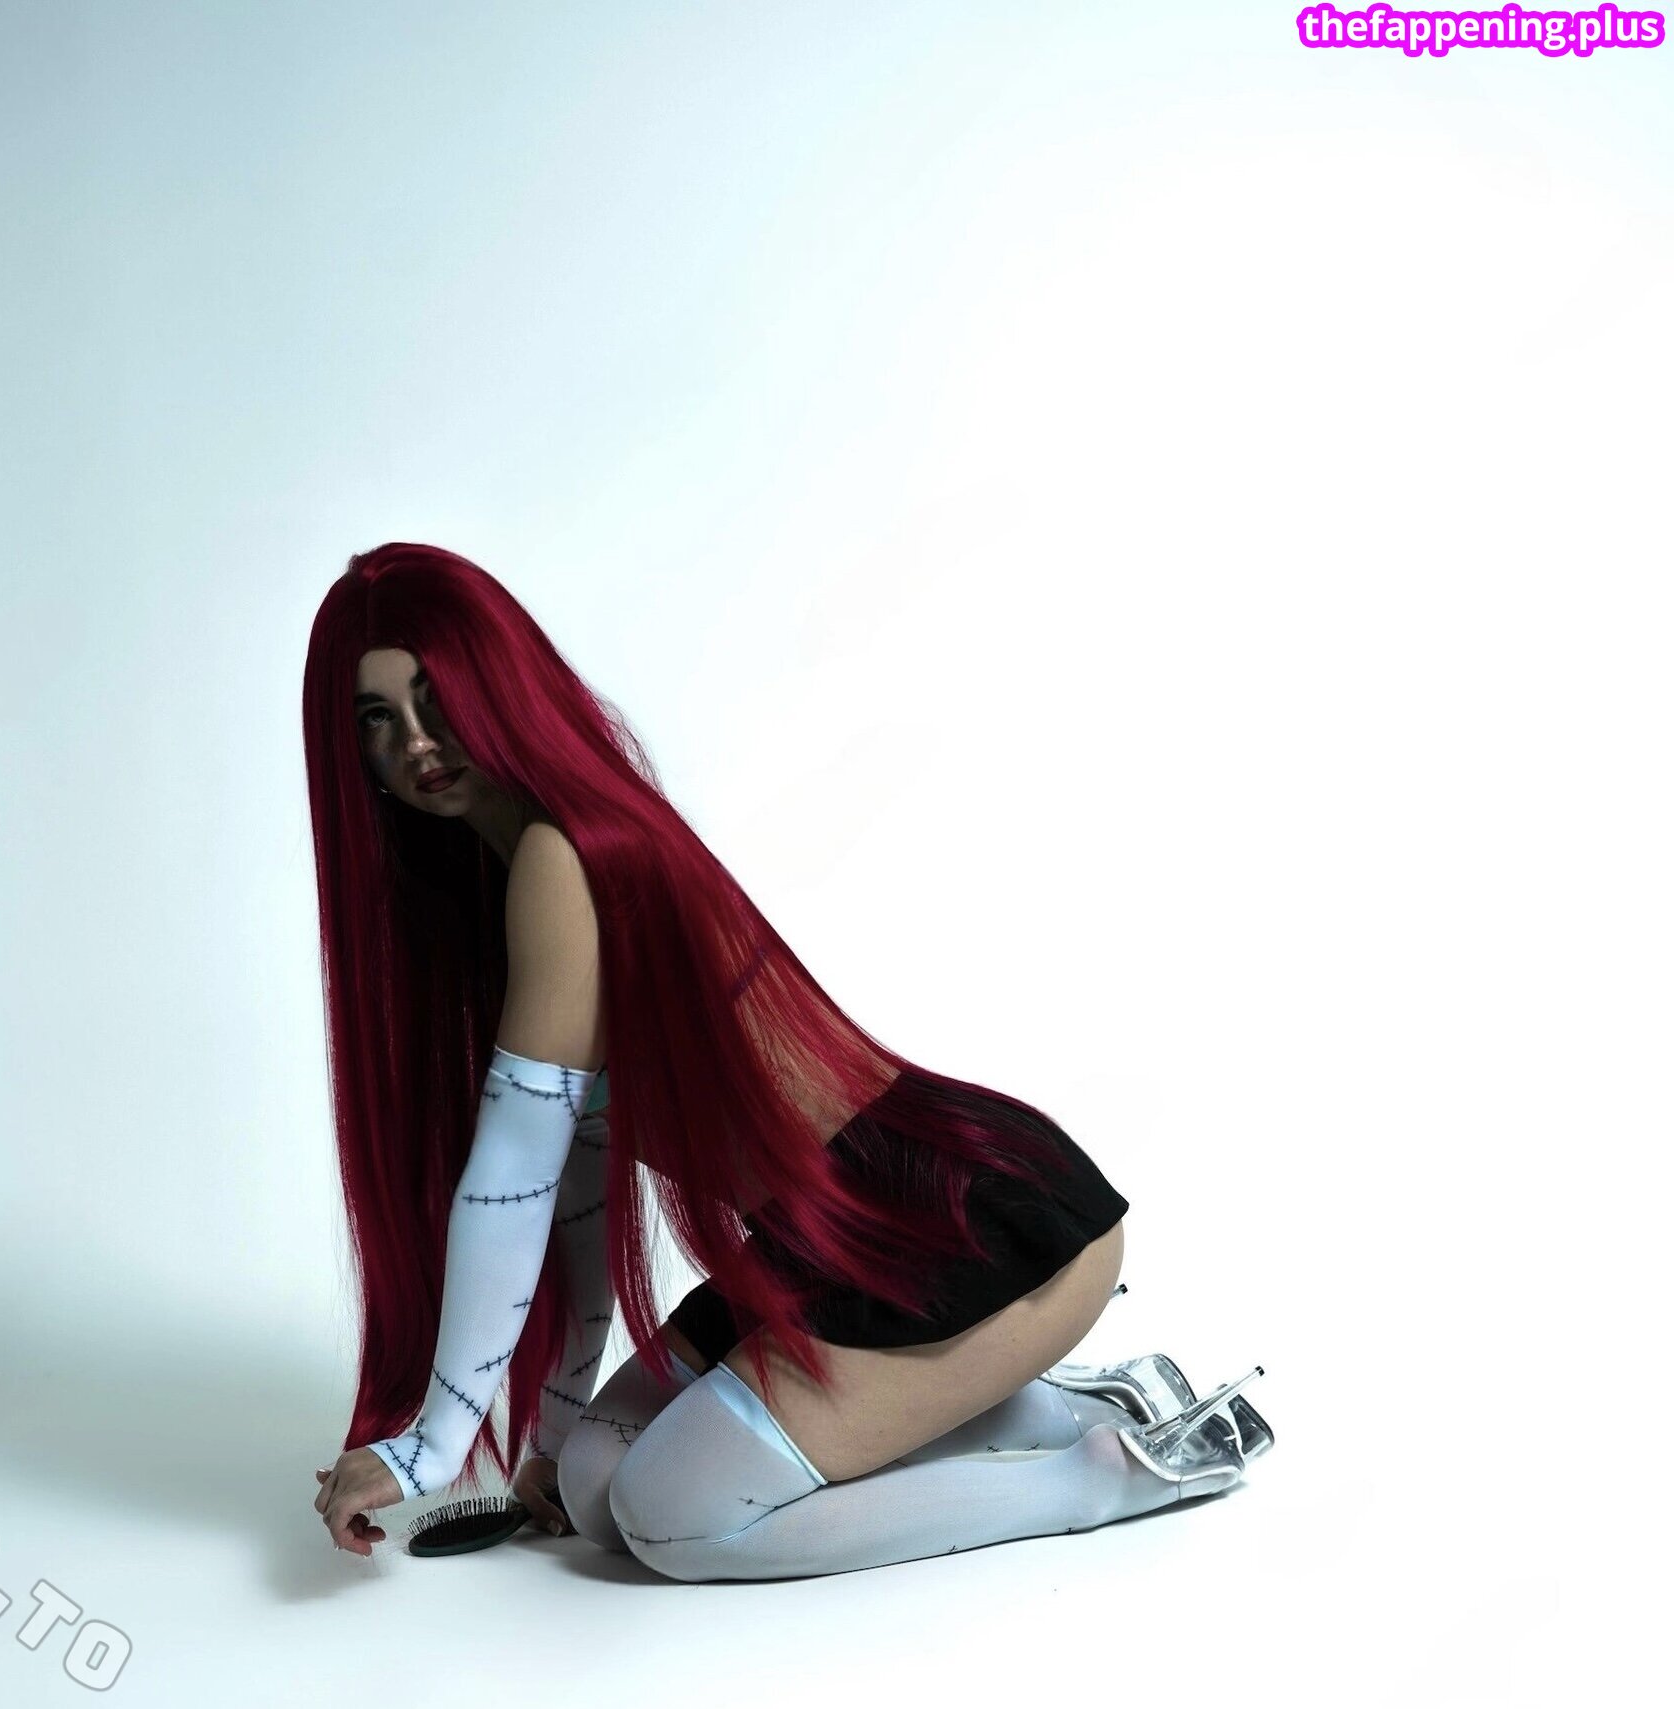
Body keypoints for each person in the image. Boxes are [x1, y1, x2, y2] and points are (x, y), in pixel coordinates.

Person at [307, 543, 1270, 1581]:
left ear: (498, 683)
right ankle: (1050, 1404)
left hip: (958, 1220)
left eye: (434, 697)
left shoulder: (566, 856)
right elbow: (576, 1196)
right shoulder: (518, 893)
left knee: (673, 1517)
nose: (415, 741)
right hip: (819, 1243)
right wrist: (553, 1427)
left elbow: (512, 1177)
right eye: (376, 719)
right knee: (592, 1483)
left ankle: (1108, 1472)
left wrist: (426, 1447)